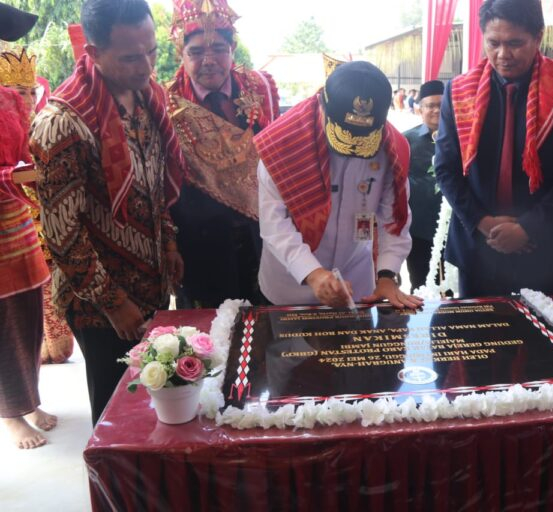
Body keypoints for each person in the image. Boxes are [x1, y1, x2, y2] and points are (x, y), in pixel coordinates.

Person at [30, 0, 186, 425]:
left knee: (154, 399)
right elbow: (62, 235)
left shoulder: (149, 97)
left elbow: (157, 186)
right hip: (96, 302)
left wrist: (168, 241)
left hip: (151, 283)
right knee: (115, 417)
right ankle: (113, 492)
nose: (146, 66)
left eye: (152, 50)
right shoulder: (63, 122)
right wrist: (113, 302)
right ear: (94, 53)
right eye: (131, 57)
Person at [433, 0, 553, 298]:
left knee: (538, 342)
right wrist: (483, 222)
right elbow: (446, 168)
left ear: (538, 37)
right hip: (477, 248)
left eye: (515, 43)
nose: (503, 55)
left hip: (543, 251)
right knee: (476, 339)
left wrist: (527, 228)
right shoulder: (458, 93)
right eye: (493, 43)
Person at [253, 61, 422, 310]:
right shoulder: (280, 146)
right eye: (344, 133)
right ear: (322, 104)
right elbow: (274, 225)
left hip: (356, 278)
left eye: (364, 138)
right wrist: (311, 272)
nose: (353, 147)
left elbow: (395, 217)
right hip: (290, 284)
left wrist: (387, 275)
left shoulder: (392, 149)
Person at [167, 0, 279, 308]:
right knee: (210, 342)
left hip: (263, 239)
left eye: (218, 48)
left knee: (265, 337)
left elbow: (277, 159)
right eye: (196, 51)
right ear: (181, 53)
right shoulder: (165, 104)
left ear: (232, 49)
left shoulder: (260, 88)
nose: (208, 60)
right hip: (201, 246)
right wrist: (169, 245)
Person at [0, 1, 57, 450]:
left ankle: (31, 399)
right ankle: (11, 415)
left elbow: (25, 149)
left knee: (28, 313)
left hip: (17, 219)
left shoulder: (7, 95)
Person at [1, 47, 75, 365]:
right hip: (13, 240)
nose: (29, 99)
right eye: (19, 92)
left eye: (32, 91)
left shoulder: (42, 125)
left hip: (48, 235)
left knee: (59, 348)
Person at [403, 80, 444, 292]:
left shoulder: (463, 139)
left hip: (453, 232)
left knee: (451, 290)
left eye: (441, 105)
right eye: (430, 105)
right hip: (419, 231)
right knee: (419, 287)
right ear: (421, 109)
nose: (436, 110)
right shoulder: (406, 142)